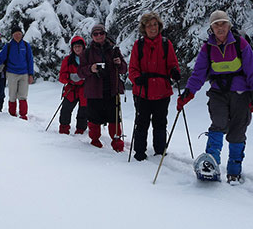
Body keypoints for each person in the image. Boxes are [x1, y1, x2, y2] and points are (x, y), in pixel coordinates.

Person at [177, 10, 253, 183]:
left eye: (223, 23)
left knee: (238, 130)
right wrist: (189, 92)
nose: (220, 27)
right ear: (211, 28)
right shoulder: (208, 48)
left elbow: (252, 71)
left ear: (229, 25)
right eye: (216, 24)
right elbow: (199, 73)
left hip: (241, 93)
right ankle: (211, 164)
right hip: (218, 93)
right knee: (218, 123)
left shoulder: (240, 44)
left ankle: (234, 170)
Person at [128, 12, 181, 161]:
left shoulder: (166, 44)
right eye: (149, 25)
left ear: (159, 26)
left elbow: (172, 64)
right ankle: (139, 152)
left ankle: (160, 151)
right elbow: (132, 68)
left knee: (160, 122)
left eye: (155, 25)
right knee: (141, 122)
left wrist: (174, 72)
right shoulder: (138, 45)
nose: (152, 28)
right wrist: (137, 79)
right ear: (144, 28)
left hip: (162, 91)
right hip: (142, 91)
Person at [78, 24, 127, 152]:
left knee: (114, 119)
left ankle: (117, 144)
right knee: (94, 119)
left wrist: (119, 63)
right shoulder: (87, 52)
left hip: (111, 90)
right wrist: (91, 69)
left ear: (105, 34)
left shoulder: (114, 50)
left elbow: (123, 69)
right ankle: (95, 143)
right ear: (92, 36)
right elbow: (80, 72)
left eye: (101, 33)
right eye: (95, 34)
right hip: (94, 91)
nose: (99, 36)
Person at [0, 26, 34, 120]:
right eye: (15, 34)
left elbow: (30, 60)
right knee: (12, 95)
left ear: (22, 34)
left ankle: (23, 115)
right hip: (12, 73)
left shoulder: (26, 45)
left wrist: (30, 74)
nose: (17, 36)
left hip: (24, 73)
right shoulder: (9, 46)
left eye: (19, 34)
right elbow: (1, 57)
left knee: (23, 95)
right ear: (12, 35)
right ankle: (12, 115)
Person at [57, 36, 87, 135]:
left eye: (79, 46)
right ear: (72, 48)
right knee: (66, 109)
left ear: (83, 47)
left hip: (84, 89)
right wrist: (70, 77)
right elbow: (61, 77)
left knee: (83, 111)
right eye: (75, 47)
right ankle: (64, 129)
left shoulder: (88, 58)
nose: (77, 49)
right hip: (71, 88)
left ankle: (80, 131)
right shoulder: (68, 60)